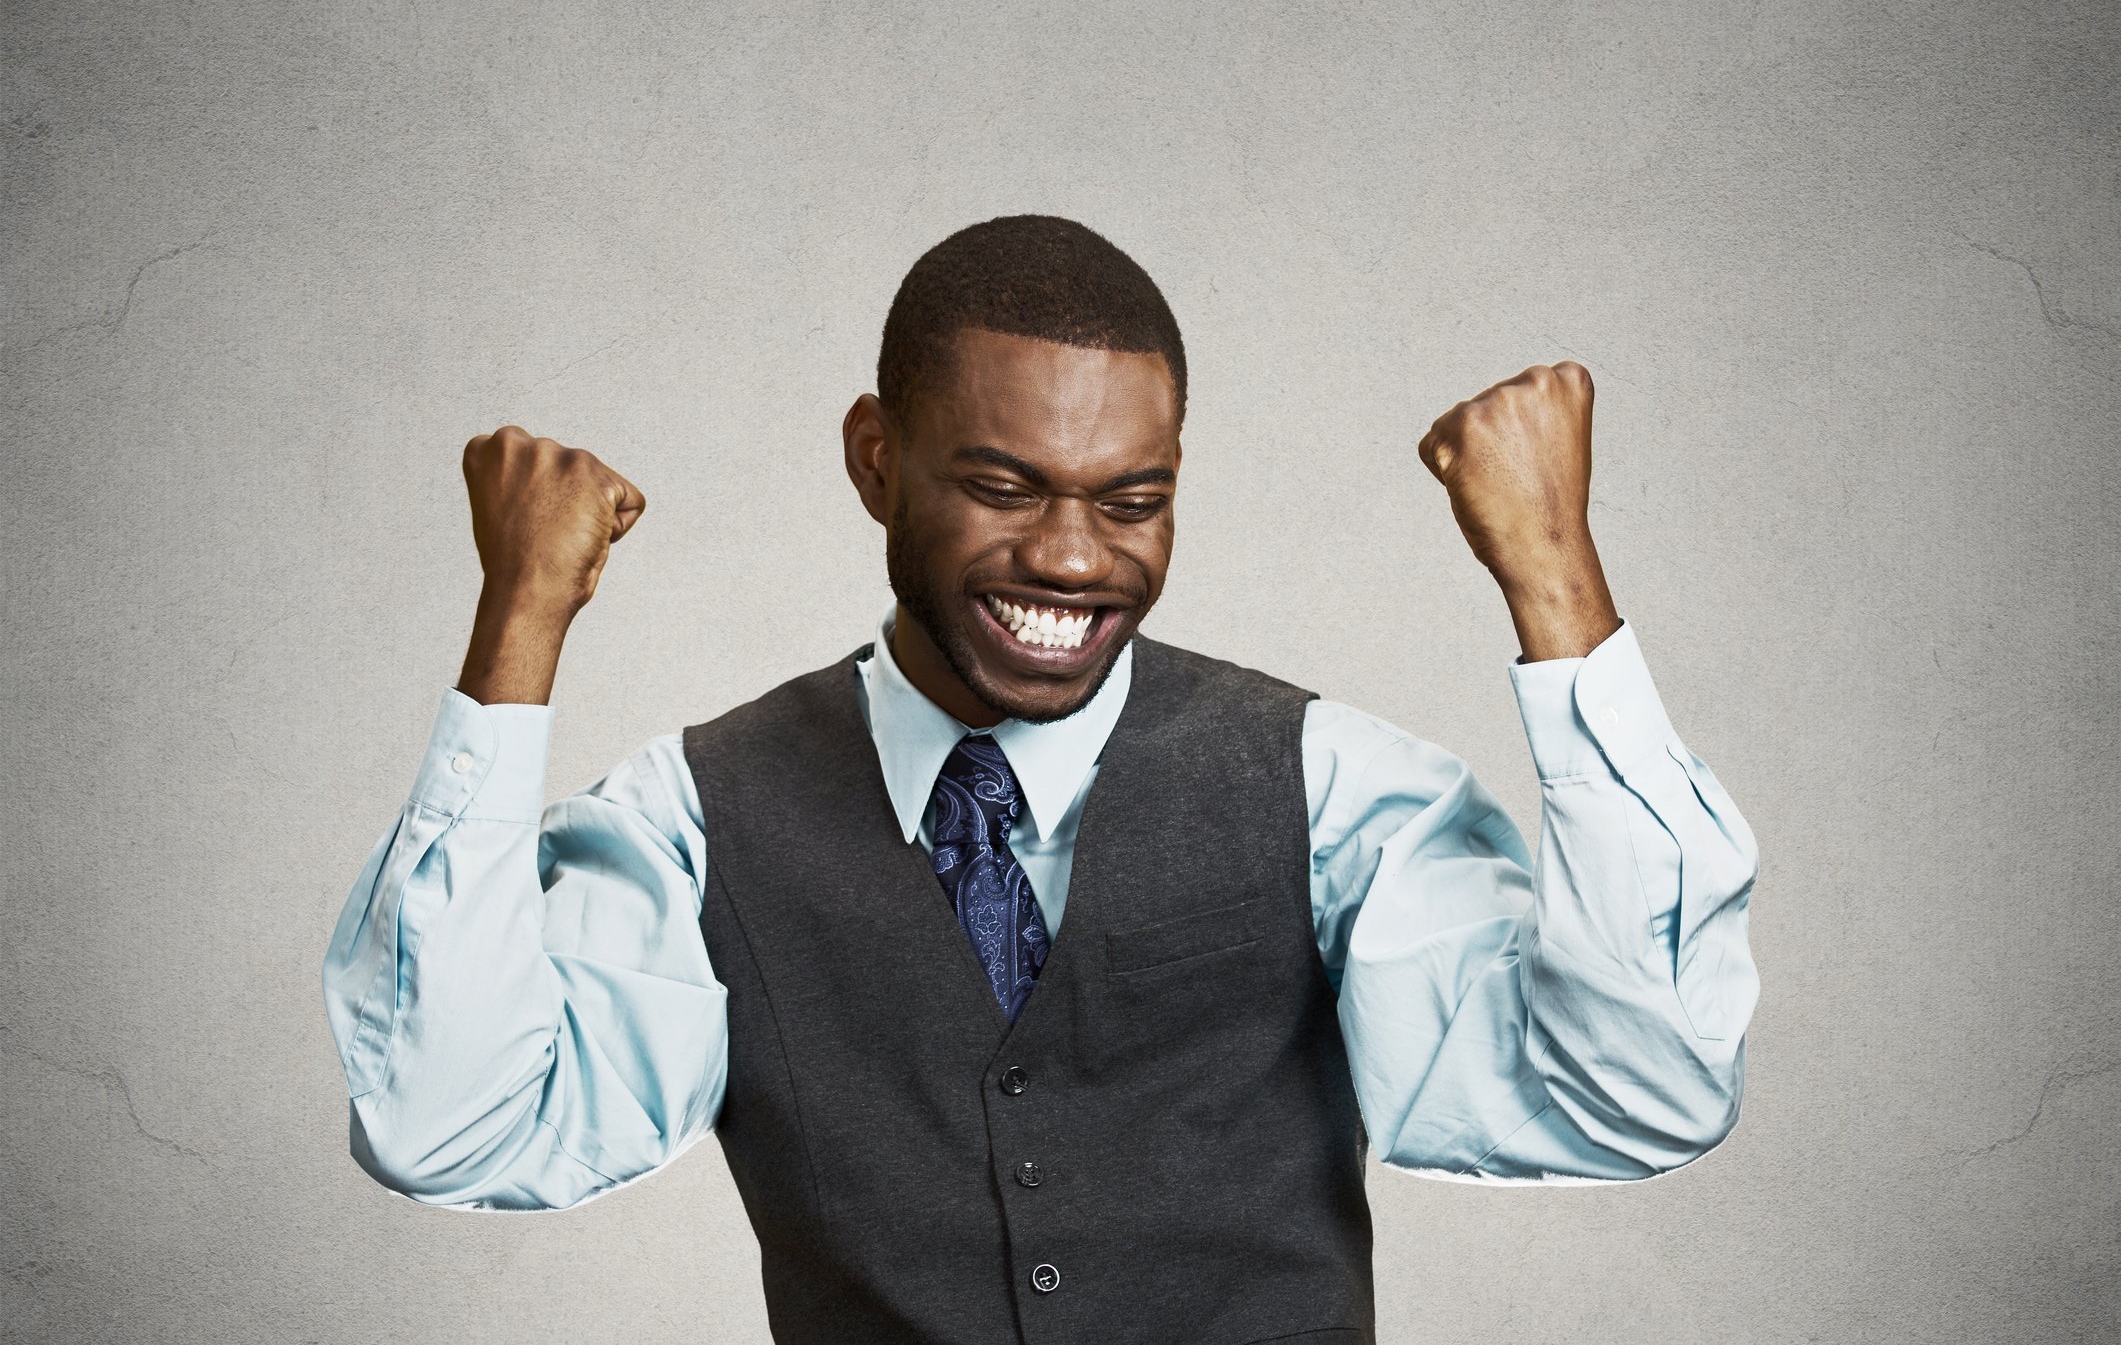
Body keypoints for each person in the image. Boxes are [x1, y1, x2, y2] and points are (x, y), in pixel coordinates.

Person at [322, 214, 1759, 1344]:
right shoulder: (697, 816)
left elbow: (1631, 1093)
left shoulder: (1325, 786)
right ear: (875, 460)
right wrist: (517, 630)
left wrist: (1553, 582)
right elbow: (454, 1125)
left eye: (1131, 501)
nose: (1075, 558)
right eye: (1004, 487)